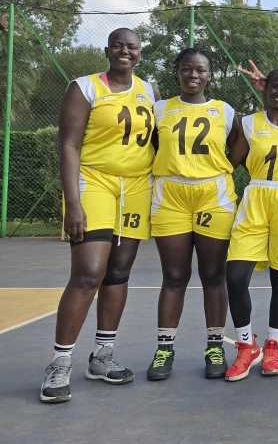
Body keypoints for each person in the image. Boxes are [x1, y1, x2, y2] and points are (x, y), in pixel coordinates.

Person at [40, 28, 158, 403]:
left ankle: (102, 356)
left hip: (137, 187)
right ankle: (60, 363)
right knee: (89, 273)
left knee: (119, 272)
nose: (126, 51)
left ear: (140, 53)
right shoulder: (85, 87)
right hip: (95, 182)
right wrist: (72, 201)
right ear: (108, 51)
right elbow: (69, 144)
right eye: (119, 45)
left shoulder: (150, 91)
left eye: (133, 47)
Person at [146, 48, 241, 382]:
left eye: (200, 70)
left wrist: (223, 170)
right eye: (186, 69)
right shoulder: (159, 109)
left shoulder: (225, 111)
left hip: (212, 194)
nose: (193, 75)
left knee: (213, 275)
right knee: (174, 276)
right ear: (178, 72)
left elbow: (240, 144)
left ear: (209, 75)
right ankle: (164, 349)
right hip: (171, 194)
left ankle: (215, 345)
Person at [222, 68, 278, 381]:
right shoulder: (248, 124)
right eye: (276, 87)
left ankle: (273, 345)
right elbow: (228, 165)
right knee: (235, 277)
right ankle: (247, 345)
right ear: (265, 89)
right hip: (255, 202)